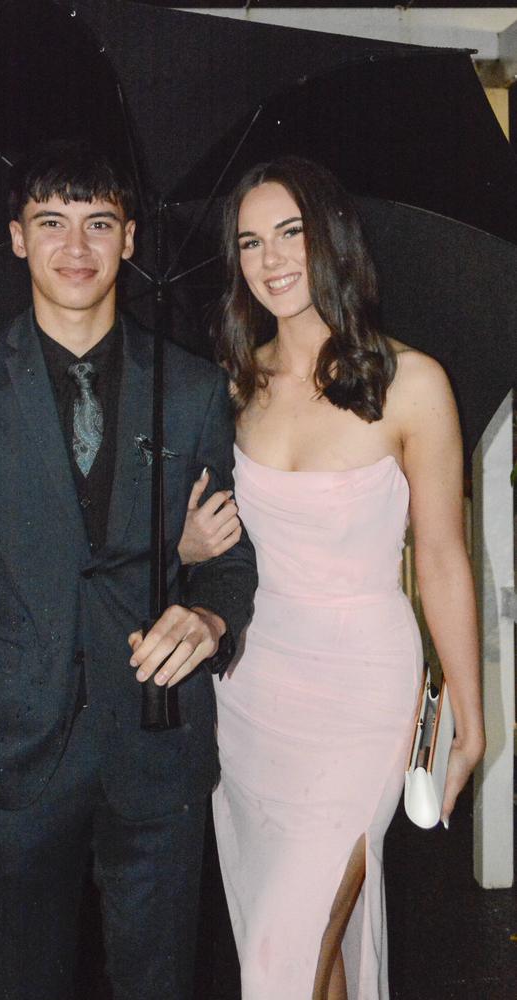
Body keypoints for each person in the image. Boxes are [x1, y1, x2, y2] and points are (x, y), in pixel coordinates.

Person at [0, 141, 257, 1000]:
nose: (77, 247)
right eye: (51, 223)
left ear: (129, 239)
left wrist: (208, 615)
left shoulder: (194, 391)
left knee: (158, 980)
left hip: (157, 747)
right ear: (18, 238)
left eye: (99, 223)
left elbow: (231, 558)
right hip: (13, 758)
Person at [178, 156, 485, 1000]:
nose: (272, 259)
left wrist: (470, 711)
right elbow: (210, 544)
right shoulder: (234, 384)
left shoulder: (411, 384)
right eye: (250, 242)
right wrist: (192, 553)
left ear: (332, 240)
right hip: (248, 693)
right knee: (312, 945)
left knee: (286, 944)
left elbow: (444, 556)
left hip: (359, 697)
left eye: (292, 233)